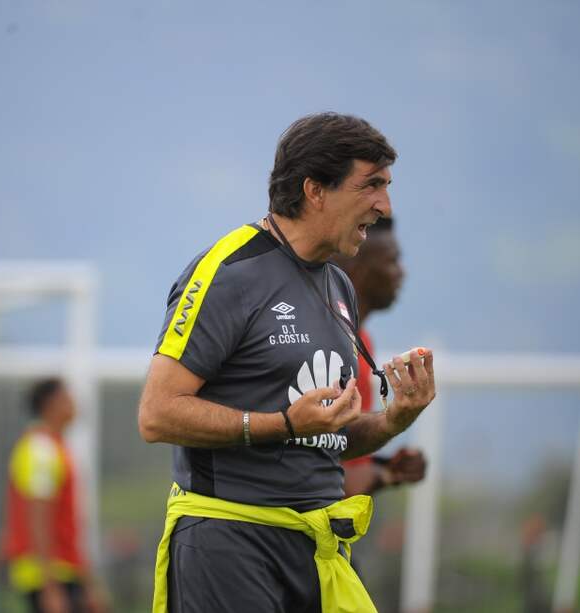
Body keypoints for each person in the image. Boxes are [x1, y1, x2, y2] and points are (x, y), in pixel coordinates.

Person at [138, 112, 437, 613]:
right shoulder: (229, 270)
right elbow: (157, 413)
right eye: (371, 186)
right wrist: (279, 423)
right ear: (315, 190)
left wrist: (393, 419)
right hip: (229, 543)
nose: (384, 207)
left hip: (315, 547)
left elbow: (323, 442)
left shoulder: (338, 286)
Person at [332, 218, 427, 497]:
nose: (402, 273)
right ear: (359, 271)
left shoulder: (363, 342)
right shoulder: (331, 343)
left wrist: (384, 468)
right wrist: (386, 474)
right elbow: (343, 479)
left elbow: (340, 452)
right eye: (392, 261)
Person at [1, 378, 105, 613]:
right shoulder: (41, 449)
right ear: (51, 404)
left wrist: (87, 582)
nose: (74, 403)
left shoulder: (54, 447)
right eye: (67, 397)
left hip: (62, 569)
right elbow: (38, 516)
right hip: (47, 573)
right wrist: (50, 588)